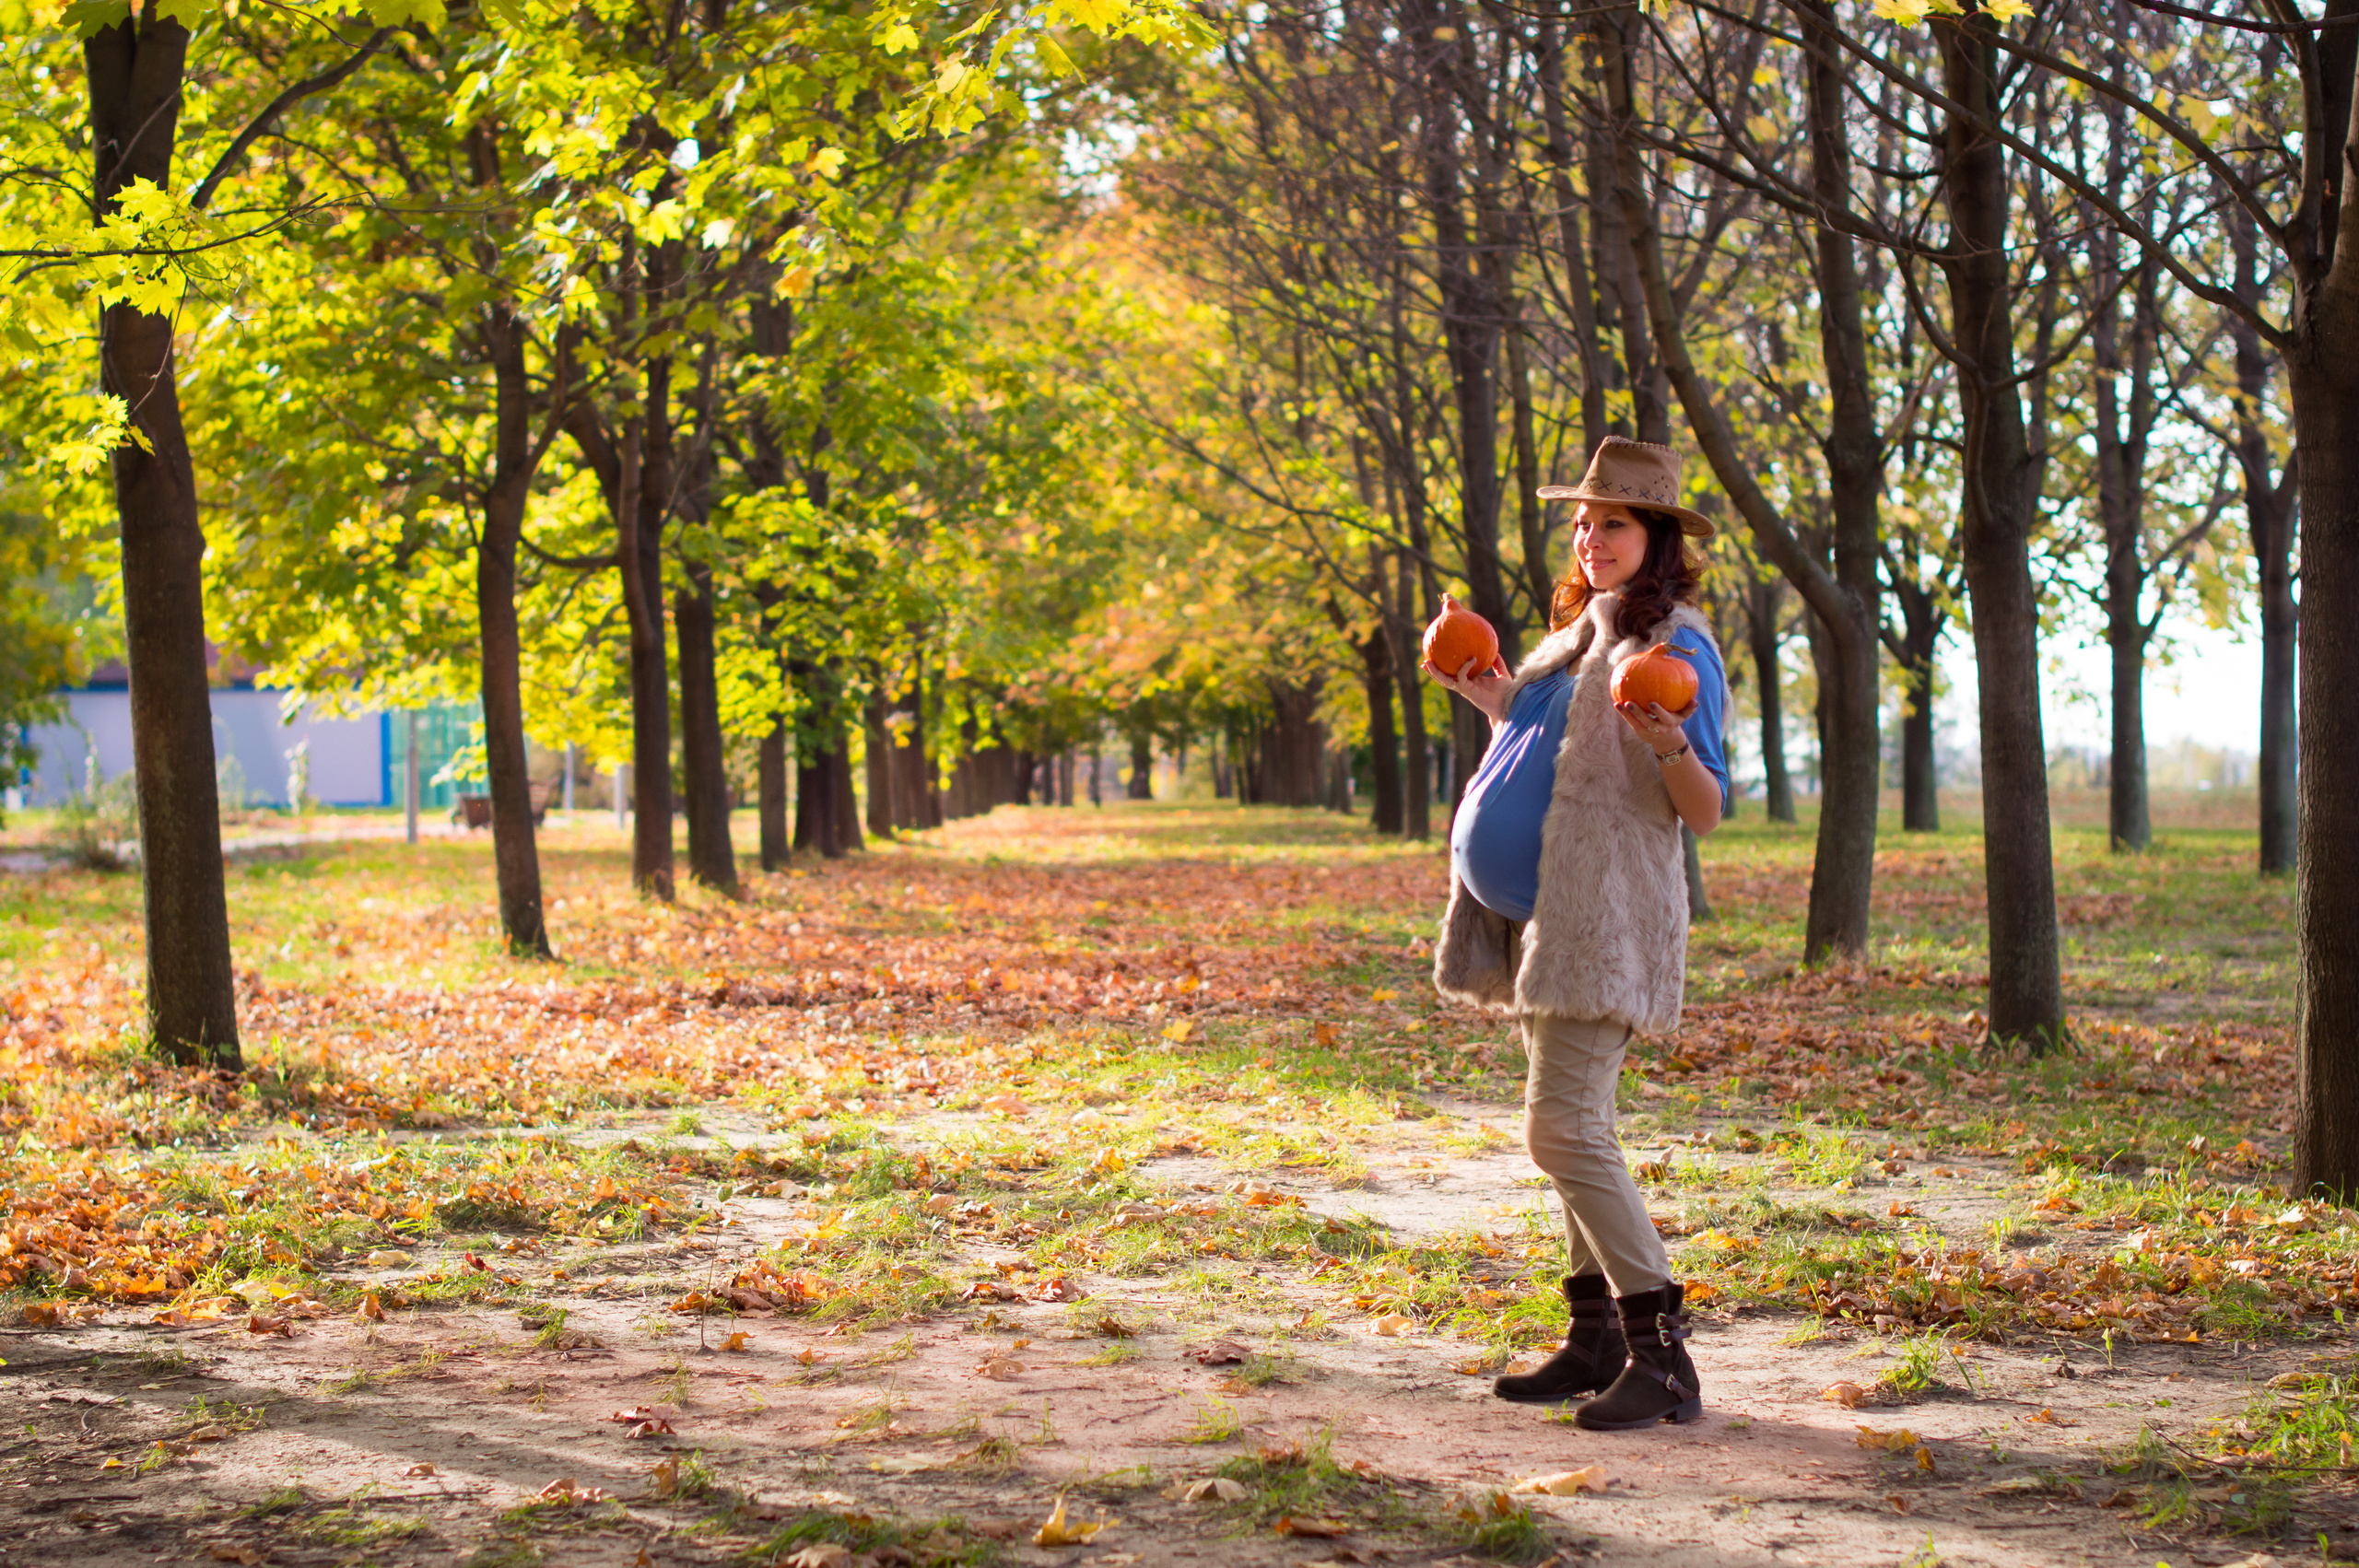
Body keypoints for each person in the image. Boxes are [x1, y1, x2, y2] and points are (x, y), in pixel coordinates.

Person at [1426, 437, 1730, 1432]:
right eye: (1585, 521)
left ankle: (1663, 1356)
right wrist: (1490, 698)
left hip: (1602, 922)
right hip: (1536, 923)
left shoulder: (1674, 651)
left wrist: (1670, 741)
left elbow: (1705, 808)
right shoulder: (1572, 641)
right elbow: (1542, 755)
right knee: (1577, 1133)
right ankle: (1594, 1339)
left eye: (1615, 522)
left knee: (1560, 1131)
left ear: (1658, 539)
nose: (1592, 537)